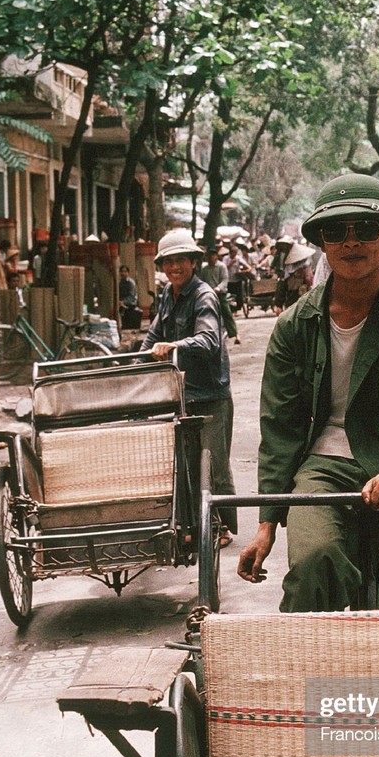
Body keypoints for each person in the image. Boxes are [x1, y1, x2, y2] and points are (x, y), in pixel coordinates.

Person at [237, 174, 379, 612]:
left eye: (366, 230)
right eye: (337, 232)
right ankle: (318, 679)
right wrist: (266, 522)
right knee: (314, 565)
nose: (352, 243)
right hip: (322, 465)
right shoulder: (295, 325)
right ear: (322, 243)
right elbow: (280, 427)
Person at [141, 228, 237, 541]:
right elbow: (153, 337)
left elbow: (209, 340)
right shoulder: (168, 295)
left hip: (210, 394)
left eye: (180, 260)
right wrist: (134, 361)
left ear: (193, 262)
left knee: (215, 465)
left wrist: (174, 346)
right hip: (180, 393)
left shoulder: (204, 295)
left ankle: (221, 525)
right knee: (186, 464)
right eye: (168, 262)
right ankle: (195, 526)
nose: (174, 268)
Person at [200, 243, 240, 343]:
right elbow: (202, 281)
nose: (210, 257)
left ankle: (235, 334)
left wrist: (217, 288)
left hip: (220, 294)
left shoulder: (221, 266)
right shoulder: (204, 269)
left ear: (216, 256)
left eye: (212, 255)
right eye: (208, 255)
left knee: (226, 313)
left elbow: (224, 280)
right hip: (208, 295)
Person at [274, 239, 315, 313]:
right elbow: (309, 279)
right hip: (302, 294)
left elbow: (283, 284)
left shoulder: (288, 266)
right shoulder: (305, 265)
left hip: (293, 295)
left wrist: (279, 304)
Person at [118, 264, 140, 329]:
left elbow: (131, 296)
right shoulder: (121, 282)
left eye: (125, 272)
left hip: (131, 303)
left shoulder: (131, 283)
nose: (123, 273)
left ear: (128, 273)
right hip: (123, 302)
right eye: (122, 271)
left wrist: (123, 301)